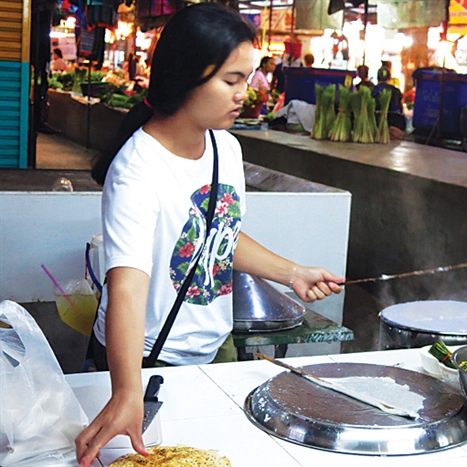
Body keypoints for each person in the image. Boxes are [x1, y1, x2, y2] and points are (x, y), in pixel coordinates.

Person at [75, 4, 344, 466]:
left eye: (247, 79)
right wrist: (126, 391)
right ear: (186, 77)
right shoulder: (138, 169)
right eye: (231, 80)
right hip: (146, 361)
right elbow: (127, 284)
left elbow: (219, 234)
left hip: (215, 347)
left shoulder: (226, 146)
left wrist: (292, 273)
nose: (245, 94)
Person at [372, 66, 405, 139]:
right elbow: (400, 110)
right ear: (389, 78)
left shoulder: (371, 90)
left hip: (374, 124)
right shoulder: (396, 91)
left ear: (377, 78)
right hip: (394, 124)